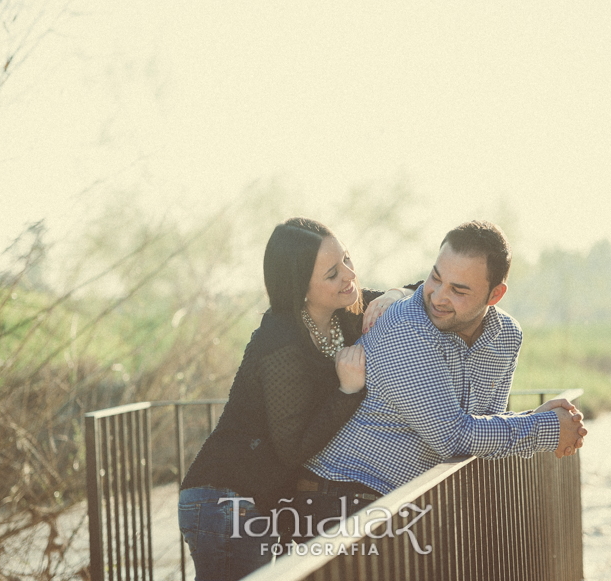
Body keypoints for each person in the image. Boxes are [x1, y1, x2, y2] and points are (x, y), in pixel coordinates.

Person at [299, 220, 587, 519]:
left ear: (495, 295)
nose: (437, 297)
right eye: (435, 278)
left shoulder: (506, 336)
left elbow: (486, 428)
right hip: (340, 500)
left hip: (407, 505)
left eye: (458, 290)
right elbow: (453, 437)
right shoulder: (407, 328)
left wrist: (536, 420)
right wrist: (548, 428)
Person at [177, 217, 413, 581]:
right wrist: (347, 391)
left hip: (262, 500)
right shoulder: (280, 340)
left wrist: (395, 296)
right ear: (301, 288)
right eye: (332, 273)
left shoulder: (347, 311)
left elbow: (426, 291)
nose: (349, 275)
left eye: (347, 259)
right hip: (225, 500)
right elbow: (292, 448)